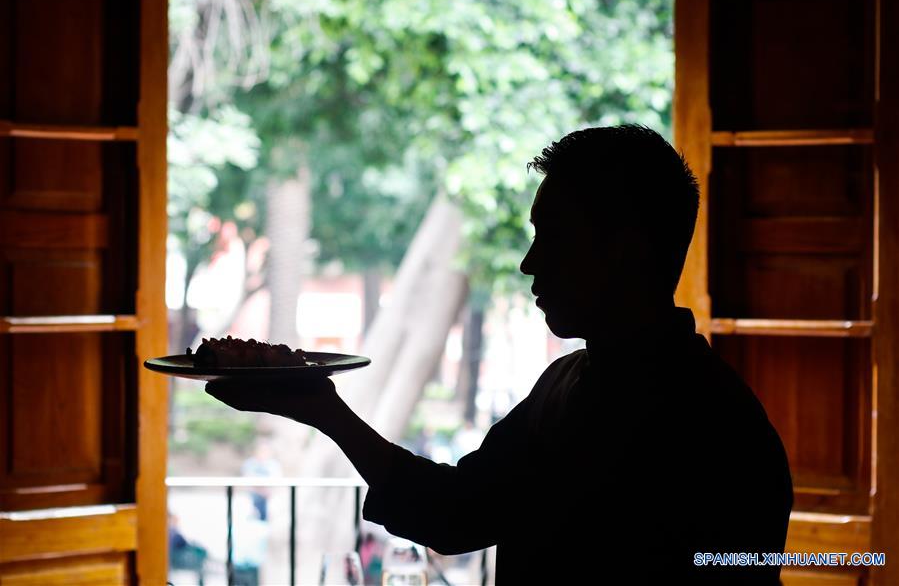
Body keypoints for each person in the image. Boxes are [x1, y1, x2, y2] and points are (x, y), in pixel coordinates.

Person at [207, 125, 794, 584]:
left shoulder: (715, 425)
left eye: (554, 238)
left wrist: (327, 413)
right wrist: (325, 412)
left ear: (627, 251)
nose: (529, 263)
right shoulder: (569, 382)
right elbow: (459, 510)